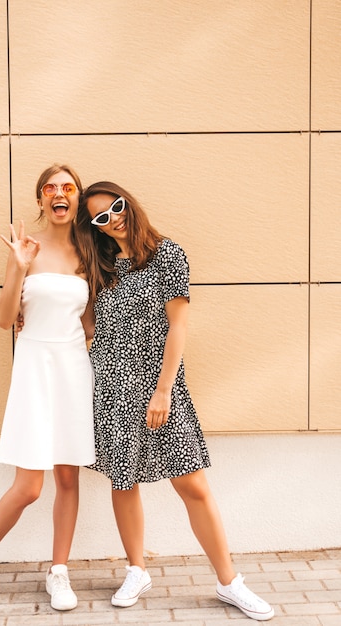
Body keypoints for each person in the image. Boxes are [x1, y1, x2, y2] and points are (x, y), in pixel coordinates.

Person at [74, 181, 274, 621]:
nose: (114, 219)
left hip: (161, 385)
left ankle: (230, 583)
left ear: (130, 202)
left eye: (117, 208)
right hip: (111, 386)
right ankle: (136, 569)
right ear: (95, 227)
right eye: (101, 217)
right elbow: (88, 330)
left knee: (192, 485)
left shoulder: (167, 254)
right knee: (123, 481)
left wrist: (163, 389)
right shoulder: (100, 267)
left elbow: (178, 328)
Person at [0, 164, 95, 612]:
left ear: (77, 198)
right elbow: (6, 319)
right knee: (28, 486)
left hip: (72, 368)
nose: (59, 193)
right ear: (41, 199)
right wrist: (19, 267)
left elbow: (86, 324)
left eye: (68, 187)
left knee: (68, 475)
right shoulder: (26, 248)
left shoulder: (88, 252)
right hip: (33, 367)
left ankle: (59, 572)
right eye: (51, 188)